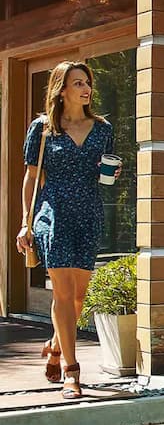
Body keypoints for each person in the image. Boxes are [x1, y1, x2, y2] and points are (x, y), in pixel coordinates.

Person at [15, 60, 119, 399]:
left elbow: (104, 168)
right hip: (53, 213)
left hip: (88, 211)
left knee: (77, 297)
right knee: (62, 292)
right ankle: (71, 373)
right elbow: (31, 177)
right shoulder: (43, 128)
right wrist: (25, 223)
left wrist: (112, 174)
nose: (86, 88)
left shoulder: (103, 129)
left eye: (87, 82)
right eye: (77, 83)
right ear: (62, 89)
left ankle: (55, 345)